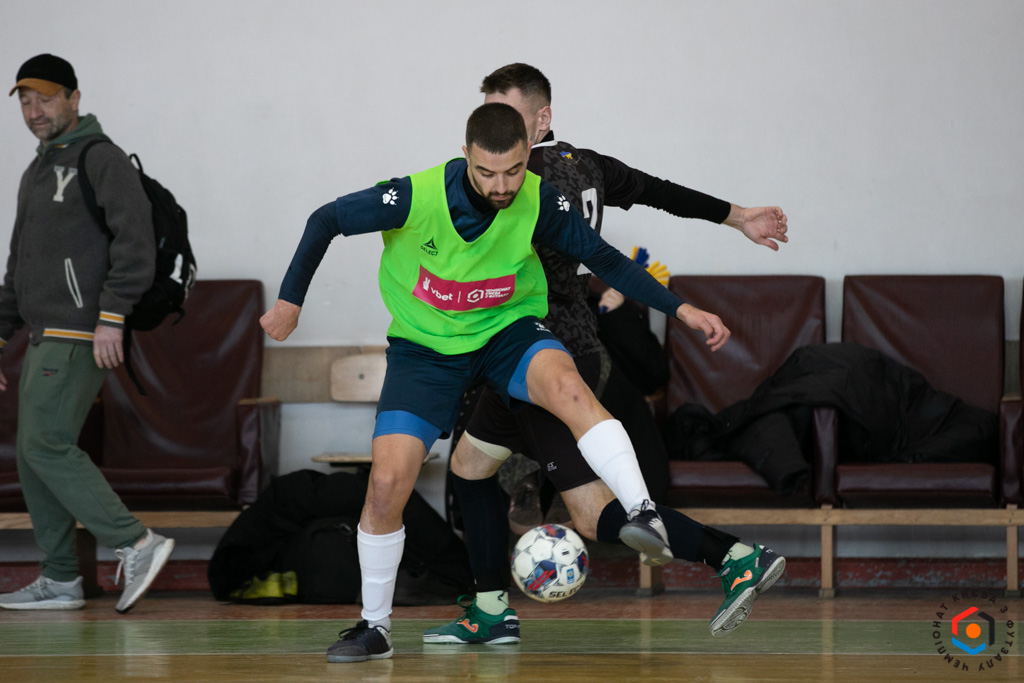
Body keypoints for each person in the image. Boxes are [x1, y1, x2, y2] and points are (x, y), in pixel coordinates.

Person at [260, 102, 732, 663]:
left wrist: (682, 310)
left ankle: (642, 511)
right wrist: (289, 302)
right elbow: (325, 219)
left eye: (513, 170)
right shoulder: (413, 196)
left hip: (507, 332)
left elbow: (607, 260)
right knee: (386, 485)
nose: (502, 185)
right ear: (466, 156)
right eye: (487, 172)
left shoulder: (540, 200)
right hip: (425, 351)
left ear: (527, 154)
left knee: (570, 389)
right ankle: (375, 627)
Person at [423, 63, 788, 645]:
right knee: (470, 466)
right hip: (566, 348)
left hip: (539, 357)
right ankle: (490, 611)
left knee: (593, 516)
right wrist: (738, 216)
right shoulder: (587, 165)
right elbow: (661, 193)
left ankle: (735, 557)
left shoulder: (519, 183)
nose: (495, 136)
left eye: (507, 117)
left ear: (542, 119)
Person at [0, 54, 175, 614]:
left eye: (46, 98)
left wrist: (112, 317)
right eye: (25, 101)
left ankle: (137, 543)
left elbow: (135, 245)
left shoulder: (100, 158)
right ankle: (60, 577)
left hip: (80, 330)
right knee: (33, 454)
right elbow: (19, 265)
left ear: (74, 99)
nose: (34, 111)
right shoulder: (36, 170)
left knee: (44, 445)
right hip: (42, 331)